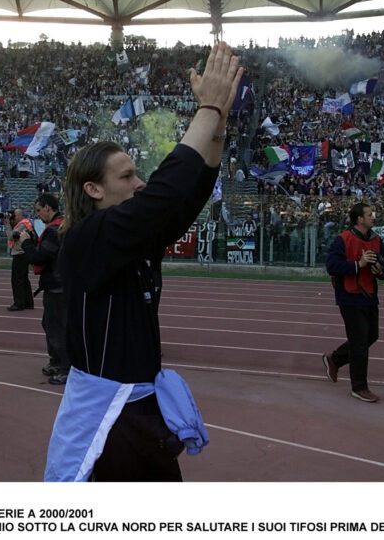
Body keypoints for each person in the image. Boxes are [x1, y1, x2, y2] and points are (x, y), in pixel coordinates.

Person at [44, 42, 243, 482]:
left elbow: (186, 197)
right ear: (93, 190)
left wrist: (219, 124)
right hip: (112, 421)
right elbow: (165, 192)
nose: (140, 183)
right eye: (127, 176)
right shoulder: (87, 238)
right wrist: (207, 106)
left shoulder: (129, 239)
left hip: (139, 410)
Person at [323, 202, 384, 402]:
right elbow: (332, 266)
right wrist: (357, 265)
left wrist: (380, 271)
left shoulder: (377, 240)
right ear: (359, 219)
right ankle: (359, 387)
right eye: (369, 214)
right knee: (359, 341)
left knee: (371, 335)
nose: (373, 217)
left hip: (369, 294)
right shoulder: (343, 240)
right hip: (349, 296)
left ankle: (335, 359)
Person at [19, 193, 69, 385]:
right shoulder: (62, 224)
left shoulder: (54, 229)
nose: (38, 215)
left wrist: (26, 243)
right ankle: (57, 362)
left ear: (48, 207)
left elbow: (40, 257)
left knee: (58, 329)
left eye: (39, 210)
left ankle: (65, 367)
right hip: (59, 284)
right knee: (50, 326)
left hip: (57, 286)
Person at [3, 208, 34, 311]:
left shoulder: (22, 224)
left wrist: (7, 224)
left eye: (15, 216)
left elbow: (11, 236)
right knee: (24, 279)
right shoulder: (25, 223)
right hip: (23, 253)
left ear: (21, 216)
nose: (13, 218)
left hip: (20, 254)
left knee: (17, 280)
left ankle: (19, 303)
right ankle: (28, 302)